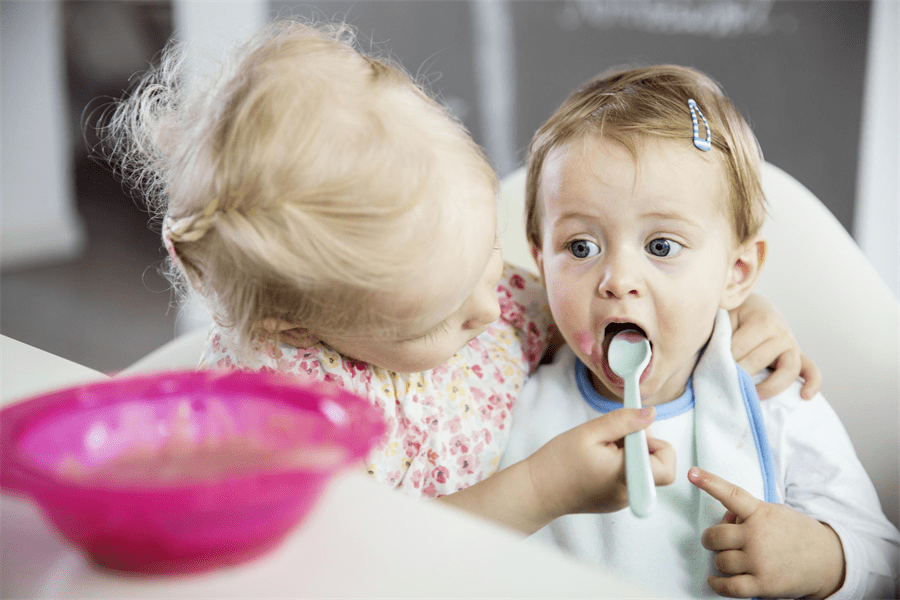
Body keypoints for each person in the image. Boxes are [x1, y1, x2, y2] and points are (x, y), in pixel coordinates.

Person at [103, 20, 818, 535]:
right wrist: (540, 488)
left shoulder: (486, 293)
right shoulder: (287, 419)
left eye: (488, 259)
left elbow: (603, 298)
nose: (494, 308)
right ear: (300, 323)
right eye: (442, 318)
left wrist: (731, 313)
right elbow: (369, 561)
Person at [500, 64, 900, 598]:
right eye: (580, 247)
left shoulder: (774, 403)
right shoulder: (507, 388)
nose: (617, 280)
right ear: (540, 263)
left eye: (661, 246)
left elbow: (886, 564)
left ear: (736, 273)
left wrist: (825, 558)